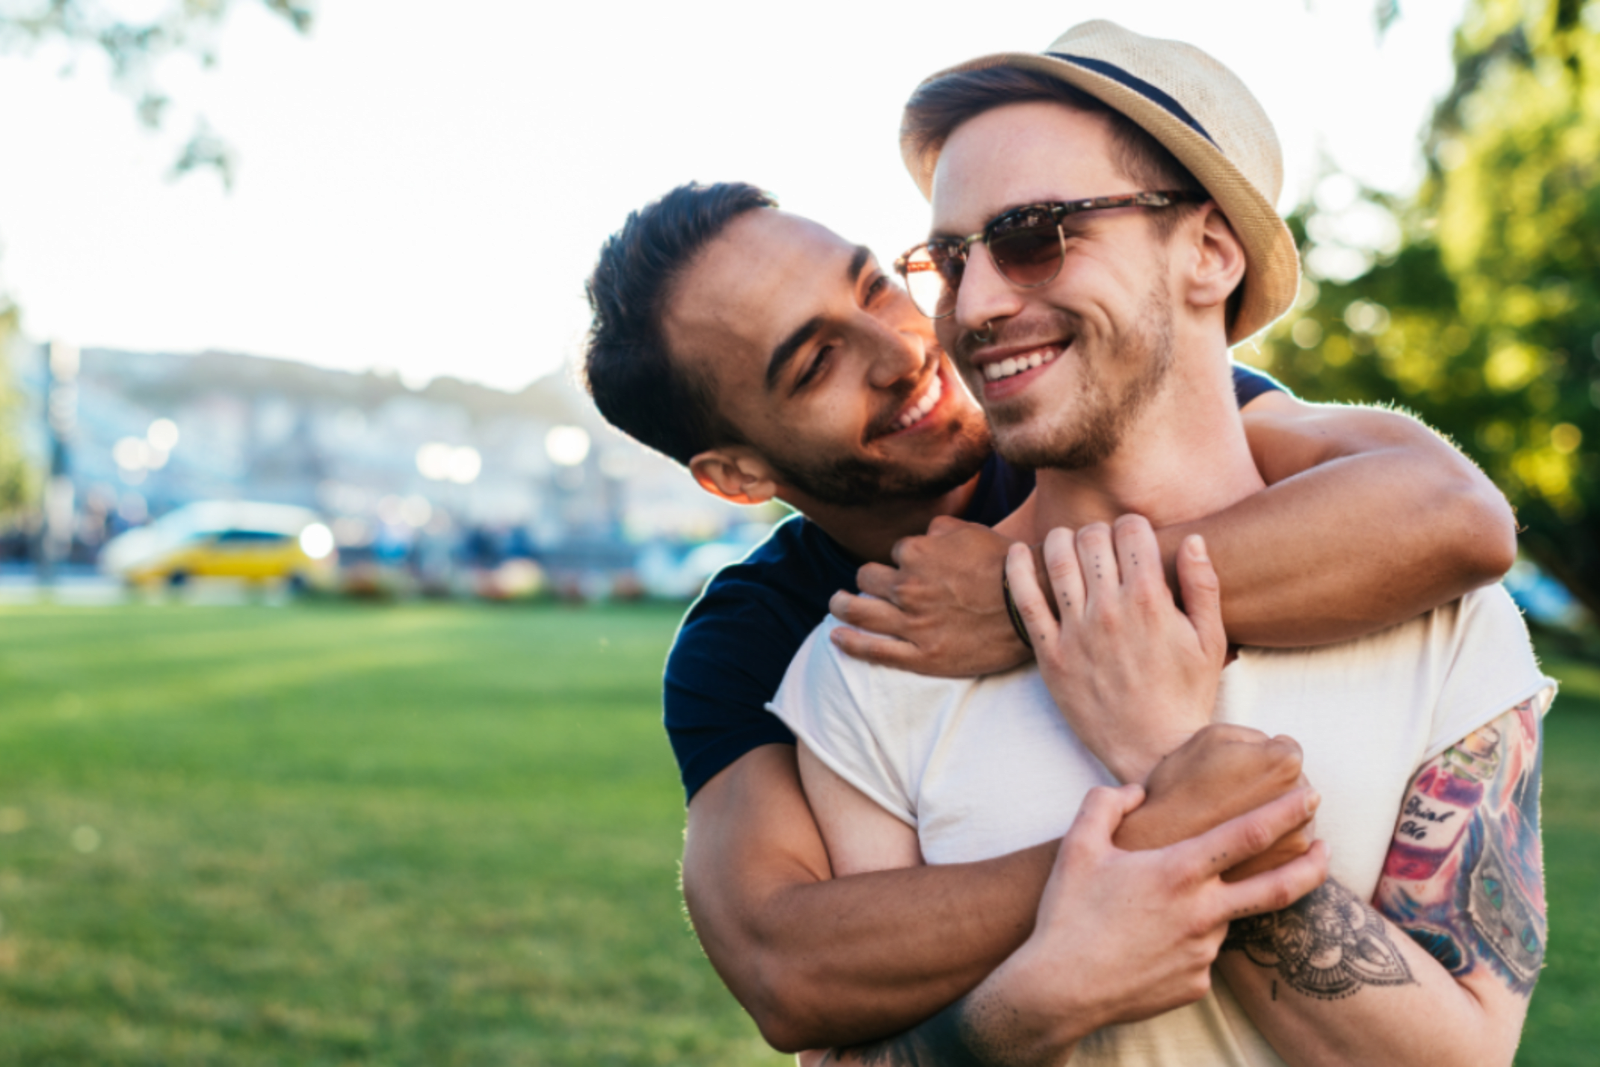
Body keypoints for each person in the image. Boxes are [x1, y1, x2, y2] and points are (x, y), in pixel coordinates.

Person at [583, 140, 1515, 1063]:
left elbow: (1451, 516)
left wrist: (1019, 600)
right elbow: (785, 963)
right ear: (738, 474)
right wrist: (1141, 847)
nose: (903, 348)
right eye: (816, 361)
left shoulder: (1093, 413)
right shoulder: (758, 637)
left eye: (873, 286)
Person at [767, 20, 1554, 1064]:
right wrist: (1024, 1007)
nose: (976, 303)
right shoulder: (876, 655)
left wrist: (1170, 762)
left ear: (1209, 250)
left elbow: (1462, 1056)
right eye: (949, 258)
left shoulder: (1449, 625)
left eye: (1036, 233)